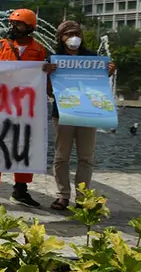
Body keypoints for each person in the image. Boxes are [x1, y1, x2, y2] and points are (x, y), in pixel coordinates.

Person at [0, 9, 50, 207]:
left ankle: (21, 189)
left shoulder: (39, 51)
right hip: (0, 105)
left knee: (24, 147)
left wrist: (47, 72)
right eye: (12, 23)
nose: (13, 27)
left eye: (18, 24)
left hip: (26, 107)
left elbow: (42, 78)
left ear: (30, 28)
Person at [50, 20, 116, 210]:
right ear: (61, 38)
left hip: (88, 112)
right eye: (68, 34)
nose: (73, 37)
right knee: (61, 156)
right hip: (63, 112)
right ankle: (62, 195)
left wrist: (109, 72)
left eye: (77, 33)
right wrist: (47, 74)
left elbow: (98, 83)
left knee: (86, 157)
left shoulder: (92, 57)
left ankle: (82, 197)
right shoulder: (54, 59)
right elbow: (48, 90)